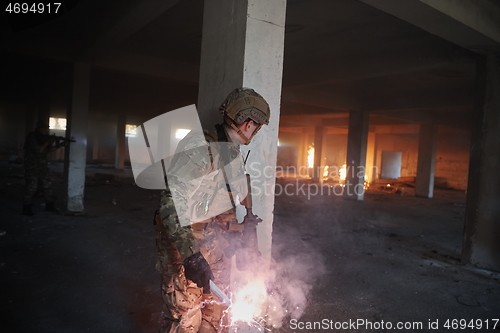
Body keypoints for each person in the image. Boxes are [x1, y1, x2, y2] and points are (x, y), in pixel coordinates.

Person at [155, 88, 270, 333]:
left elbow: (223, 204)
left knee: (215, 316)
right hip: (186, 248)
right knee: (186, 318)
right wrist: (191, 255)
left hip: (213, 247)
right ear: (250, 124)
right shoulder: (201, 148)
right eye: (257, 126)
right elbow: (171, 203)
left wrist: (239, 239)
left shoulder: (232, 153)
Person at [22, 121, 65, 216]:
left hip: (42, 166)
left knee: (47, 185)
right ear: (38, 129)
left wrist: (60, 145)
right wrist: (47, 142)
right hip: (32, 166)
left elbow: (49, 150)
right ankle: (26, 207)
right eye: (44, 128)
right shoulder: (31, 137)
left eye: (47, 128)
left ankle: (49, 205)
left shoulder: (44, 138)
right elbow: (38, 150)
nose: (46, 130)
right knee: (31, 187)